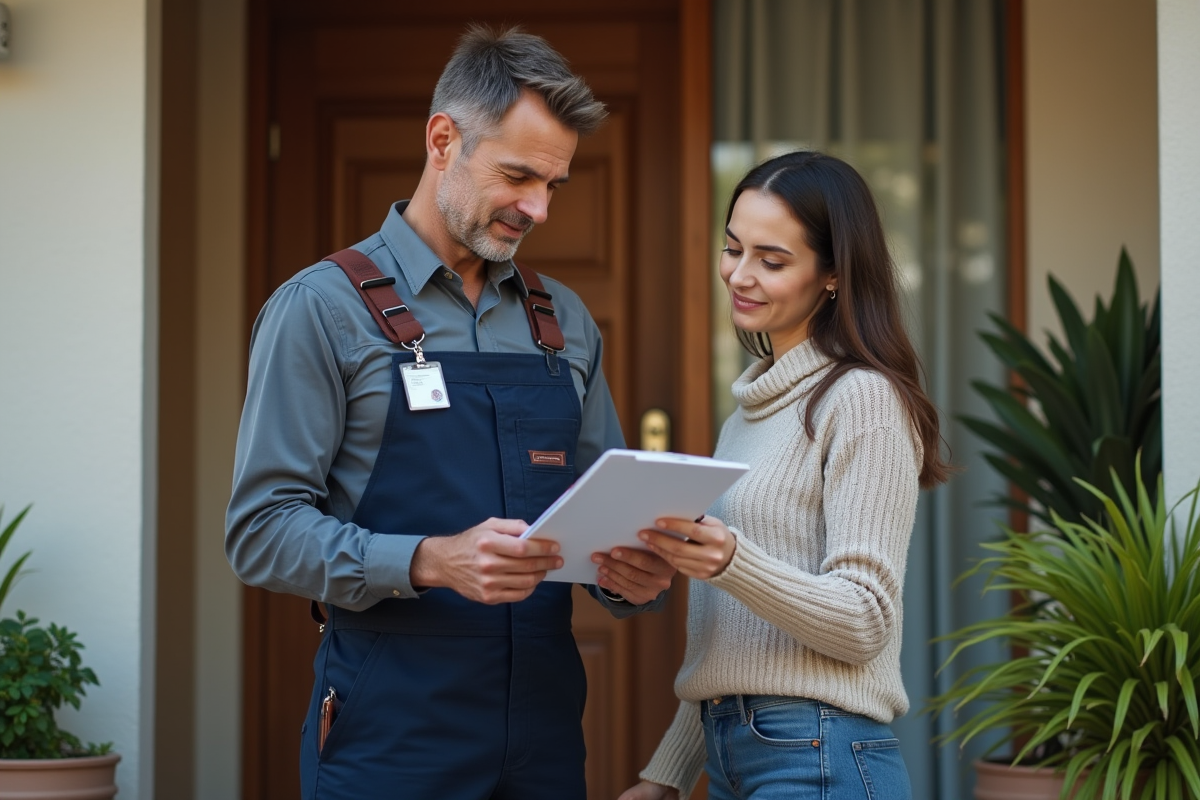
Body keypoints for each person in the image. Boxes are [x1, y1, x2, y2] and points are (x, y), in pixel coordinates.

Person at [225, 25, 675, 800]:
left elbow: (599, 518)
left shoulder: (563, 320)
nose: (537, 208)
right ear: (443, 140)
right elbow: (260, 533)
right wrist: (431, 560)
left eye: (553, 186)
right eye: (518, 176)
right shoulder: (319, 309)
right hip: (388, 732)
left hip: (543, 733)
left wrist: (631, 575)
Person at [617, 151, 951, 800]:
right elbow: (735, 641)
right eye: (732, 248)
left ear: (832, 275)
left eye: (772, 261)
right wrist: (666, 774)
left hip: (818, 752)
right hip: (734, 752)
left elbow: (865, 621)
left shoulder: (862, 399)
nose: (739, 275)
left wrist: (731, 561)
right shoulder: (750, 410)